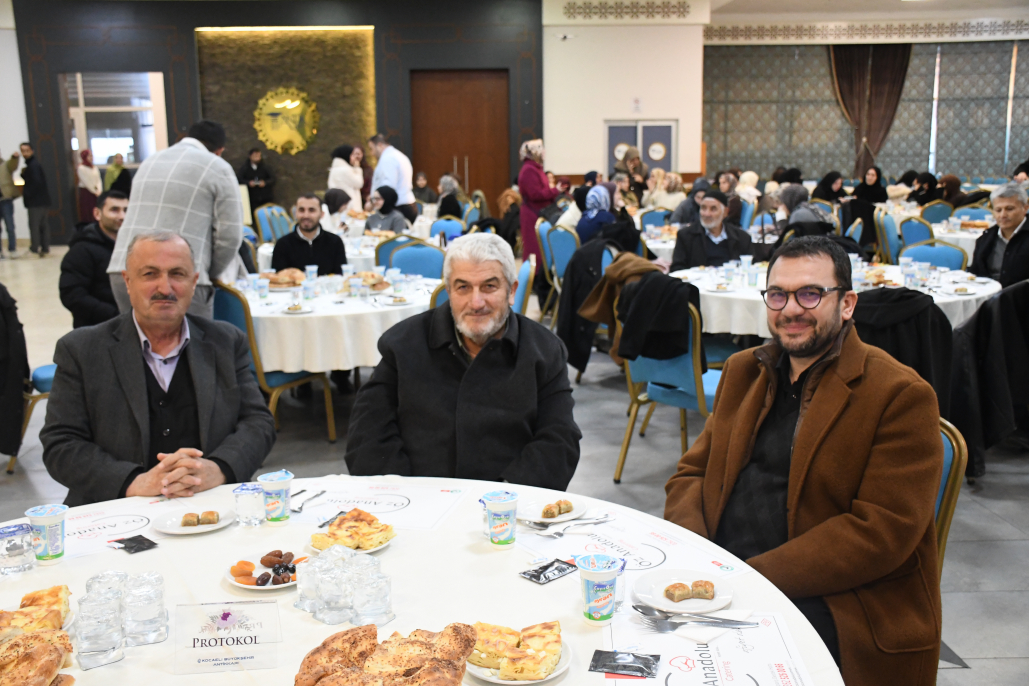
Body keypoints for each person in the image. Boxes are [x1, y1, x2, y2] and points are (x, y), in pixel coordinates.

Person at [665, 235, 943, 685]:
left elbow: (882, 531)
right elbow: (692, 473)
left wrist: (746, 580)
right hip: (724, 575)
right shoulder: (744, 370)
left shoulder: (899, 394)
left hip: (837, 596)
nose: (791, 309)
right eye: (778, 295)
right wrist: (699, 559)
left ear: (847, 304)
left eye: (810, 294)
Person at [41, 231, 276, 506]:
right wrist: (133, 482)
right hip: (115, 509)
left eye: (177, 274)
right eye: (150, 274)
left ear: (193, 282)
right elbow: (61, 443)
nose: (165, 287)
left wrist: (219, 468)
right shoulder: (82, 350)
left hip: (211, 504)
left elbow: (258, 422)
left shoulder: (225, 341)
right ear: (128, 282)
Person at [345, 233, 581, 488]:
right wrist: (405, 494)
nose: (476, 303)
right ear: (449, 291)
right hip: (420, 497)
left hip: (509, 499)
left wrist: (504, 498)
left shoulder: (544, 351)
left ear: (511, 291)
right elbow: (368, 433)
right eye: (463, 287)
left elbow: (559, 439)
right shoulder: (403, 344)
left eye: (489, 286)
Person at [107, 120, 243, 319]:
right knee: (189, 339)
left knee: (136, 338)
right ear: (219, 150)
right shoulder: (217, 167)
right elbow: (230, 235)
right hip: (176, 276)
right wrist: (207, 272)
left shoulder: (150, 162)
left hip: (125, 272)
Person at [59, 190, 127, 328]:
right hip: (97, 328)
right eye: (114, 210)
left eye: (126, 210)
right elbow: (72, 295)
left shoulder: (133, 246)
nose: (122, 216)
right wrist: (115, 315)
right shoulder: (82, 250)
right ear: (97, 214)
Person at [668, 190, 753, 272]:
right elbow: (677, 269)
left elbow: (752, 267)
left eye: (713, 209)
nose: (707, 214)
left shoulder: (742, 238)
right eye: (703, 208)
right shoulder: (686, 236)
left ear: (725, 212)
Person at [968, 182, 1029, 287]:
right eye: (998, 210)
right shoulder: (986, 238)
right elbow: (975, 273)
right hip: (987, 294)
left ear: (1025, 208)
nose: (1003, 215)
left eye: (1009, 209)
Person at [271, 194, 347, 276]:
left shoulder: (335, 242)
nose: (306, 215)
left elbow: (342, 277)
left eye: (311, 210)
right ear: (296, 213)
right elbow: (277, 279)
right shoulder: (283, 245)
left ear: (322, 214)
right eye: (301, 210)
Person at [516, 139, 560, 277]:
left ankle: (541, 275)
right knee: (534, 248)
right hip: (532, 215)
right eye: (541, 150)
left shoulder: (535, 169)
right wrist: (555, 191)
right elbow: (535, 194)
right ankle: (535, 277)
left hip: (538, 213)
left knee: (540, 247)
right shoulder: (529, 170)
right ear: (534, 152)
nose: (544, 153)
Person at [367, 134, 417, 223]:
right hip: (405, 205)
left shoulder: (388, 159)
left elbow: (388, 188)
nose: (372, 153)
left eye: (372, 149)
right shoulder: (398, 155)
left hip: (398, 208)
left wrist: (373, 201)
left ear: (379, 145)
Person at [20, 142, 51, 257]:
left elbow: (35, 183)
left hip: (36, 202)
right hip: (41, 201)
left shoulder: (33, 166)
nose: (25, 153)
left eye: (27, 150)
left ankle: (34, 249)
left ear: (32, 151)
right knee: (42, 226)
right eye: (23, 151)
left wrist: (28, 194)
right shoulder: (33, 165)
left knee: (35, 225)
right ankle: (45, 248)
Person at [327, 145, 365, 214]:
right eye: (352, 155)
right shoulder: (346, 170)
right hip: (350, 208)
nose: (354, 158)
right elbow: (359, 183)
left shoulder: (334, 170)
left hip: (339, 206)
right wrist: (357, 168)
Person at [0, 148, 19, 258]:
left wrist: (15, 158)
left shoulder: (5, 165)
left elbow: (13, 165)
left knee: (10, 226)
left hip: (5, 200)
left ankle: (12, 249)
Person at [77, 150, 102, 224]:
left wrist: (99, 190)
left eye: (92, 156)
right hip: (87, 192)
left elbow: (98, 180)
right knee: (88, 210)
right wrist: (94, 191)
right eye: (89, 156)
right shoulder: (81, 168)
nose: (91, 157)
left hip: (96, 192)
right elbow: (86, 181)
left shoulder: (94, 167)